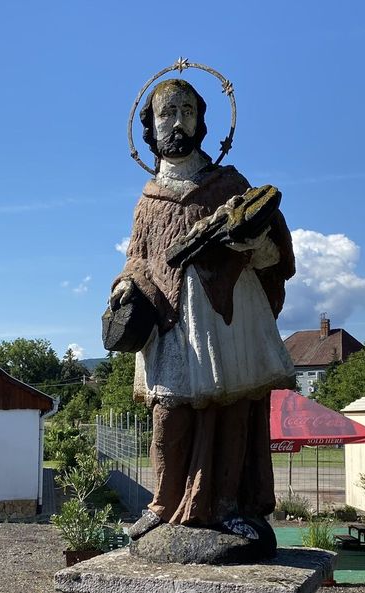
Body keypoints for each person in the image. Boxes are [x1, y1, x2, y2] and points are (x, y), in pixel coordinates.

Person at [109, 78, 296, 543]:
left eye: (187, 111)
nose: (177, 122)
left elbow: (277, 253)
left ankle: (229, 505)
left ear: (202, 121)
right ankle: (165, 503)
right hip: (168, 316)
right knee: (167, 411)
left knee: (233, 406)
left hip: (228, 311)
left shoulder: (231, 185)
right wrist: (124, 285)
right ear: (149, 127)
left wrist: (252, 241)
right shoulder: (148, 200)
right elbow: (137, 256)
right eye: (166, 113)